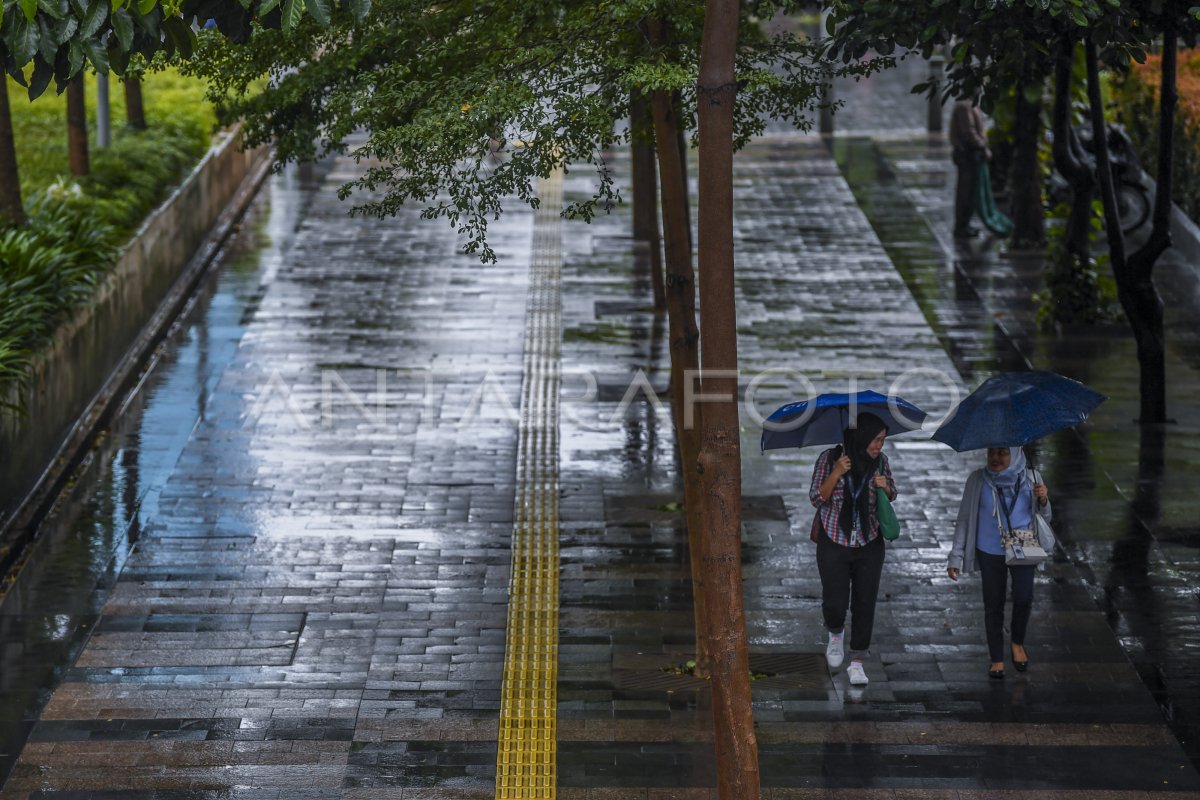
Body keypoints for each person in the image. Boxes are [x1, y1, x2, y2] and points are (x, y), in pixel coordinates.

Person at [946, 446, 1051, 679]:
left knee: (1024, 596)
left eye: (1003, 453)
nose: (996, 458)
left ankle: (1017, 642)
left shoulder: (1031, 478)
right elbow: (964, 519)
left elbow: (1045, 517)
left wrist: (1043, 499)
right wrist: (956, 556)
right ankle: (996, 658)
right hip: (989, 549)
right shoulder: (977, 480)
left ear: (1015, 454)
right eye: (992, 452)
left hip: (1023, 546)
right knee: (993, 603)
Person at [809, 412, 897, 686]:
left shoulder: (881, 462)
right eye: (875, 440)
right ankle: (836, 633)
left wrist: (886, 488)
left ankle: (857, 661)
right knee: (835, 601)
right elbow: (816, 498)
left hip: (869, 542)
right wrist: (837, 472)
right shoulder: (828, 459)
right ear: (861, 437)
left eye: (882, 440)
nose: (879, 446)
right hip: (834, 539)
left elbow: (892, 493)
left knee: (865, 601)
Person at [949, 97, 991, 239]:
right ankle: (961, 226)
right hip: (966, 155)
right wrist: (982, 145)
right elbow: (968, 133)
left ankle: (965, 225)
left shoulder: (971, 106)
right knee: (965, 193)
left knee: (970, 192)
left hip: (971, 156)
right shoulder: (964, 107)